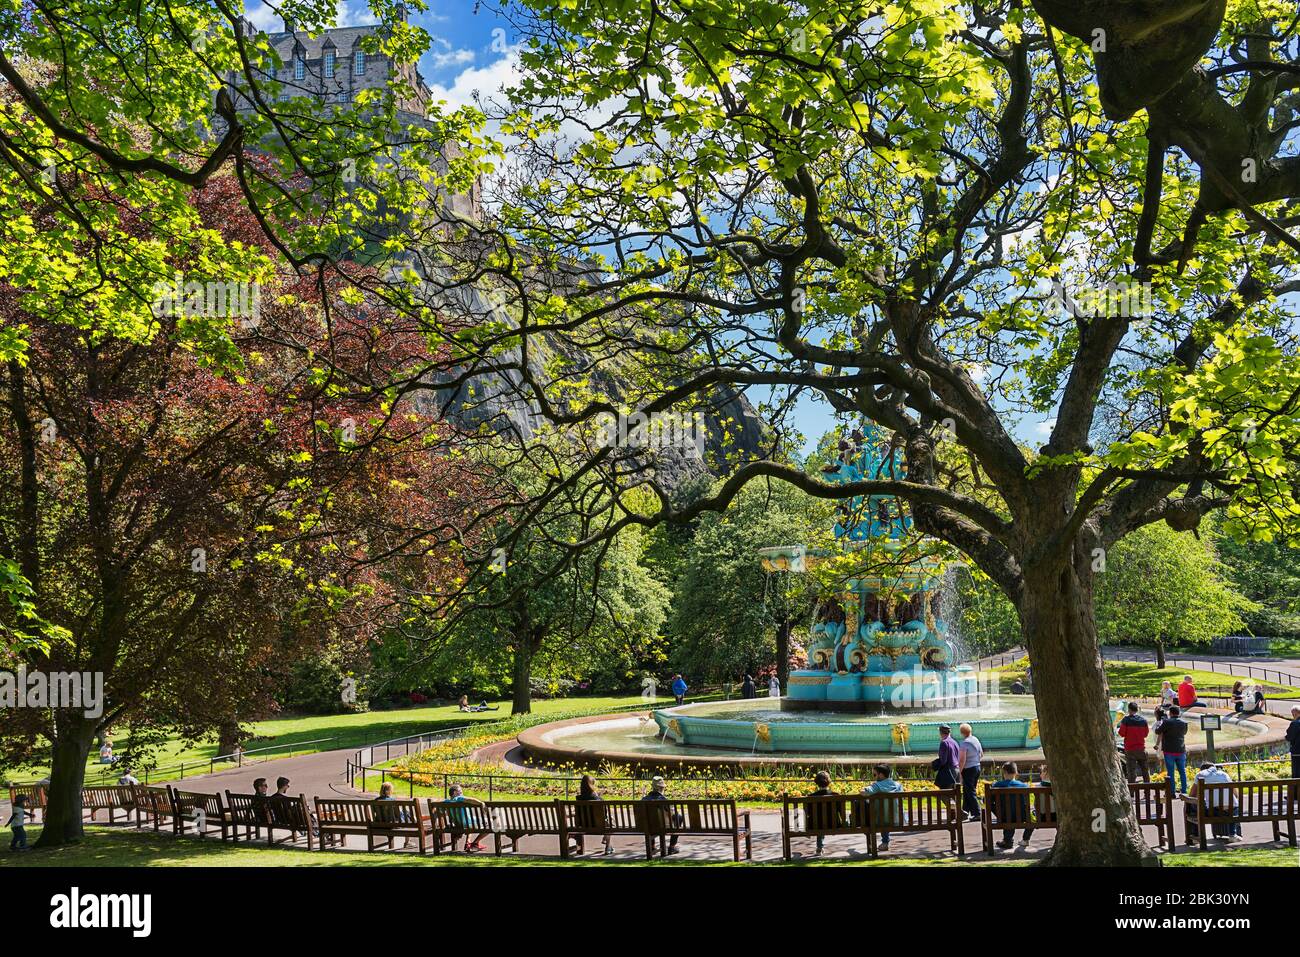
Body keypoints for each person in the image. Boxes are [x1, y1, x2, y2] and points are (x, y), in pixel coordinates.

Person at [1182, 762, 1241, 842]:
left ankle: (1196, 835)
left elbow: (1192, 796)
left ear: (1202, 769)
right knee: (1232, 806)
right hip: (1231, 811)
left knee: (1193, 806)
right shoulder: (1224, 774)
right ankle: (1232, 834)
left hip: (1212, 812)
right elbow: (1236, 794)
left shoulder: (1200, 775)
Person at [988, 761, 1033, 850]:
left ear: (1004, 772)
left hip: (1003, 817)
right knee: (1018, 810)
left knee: (1003, 809)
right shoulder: (1024, 786)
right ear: (1016, 773)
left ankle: (1007, 840)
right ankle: (1024, 838)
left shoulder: (997, 785)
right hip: (1021, 816)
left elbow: (988, 800)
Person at [862, 763, 904, 851]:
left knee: (880, 816)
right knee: (887, 813)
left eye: (874, 774)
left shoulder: (877, 785)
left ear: (880, 775)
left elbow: (864, 792)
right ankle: (885, 842)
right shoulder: (898, 785)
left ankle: (879, 843)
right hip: (897, 819)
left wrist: (865, 789)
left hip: (880, 820)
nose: (873, 777)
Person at [644, 776, 685, 855]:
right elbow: (672, 814)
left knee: (650, 821)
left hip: (648, 827)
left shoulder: (644, 799)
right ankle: (672, 847)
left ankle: (652, 846)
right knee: (679, 817)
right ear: (662, 788)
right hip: (663, 827)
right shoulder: (663, 800)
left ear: (653, 787)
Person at [444, 783, 491, 852]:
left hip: (458, 824)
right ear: (454, 793)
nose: (462, 793)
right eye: (460, 791)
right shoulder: (458, 798)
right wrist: (481, 803)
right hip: (468, 823)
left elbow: (445, 813)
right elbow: (470, 799)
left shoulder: (446, 802)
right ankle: (475, 843)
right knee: (491, 823)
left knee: (471, 822)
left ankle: (468, 842)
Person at [573, 774, 612, 856]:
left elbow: (577, 814)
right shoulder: (598, 799)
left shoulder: (578, 799)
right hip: (599, 826)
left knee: (609, 822)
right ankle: (608, 846)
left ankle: (580, 849)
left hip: (582, 826)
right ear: (592, 785)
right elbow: (604, 814)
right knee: (609, 823)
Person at [806, 770, 842, 856]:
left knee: (820, 821)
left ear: (816, 782)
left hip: (815, 825)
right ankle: (820, 847)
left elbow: (808, 813)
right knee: (823, 821)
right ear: (828, 782)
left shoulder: (810, 797)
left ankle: (819, 847)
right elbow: (841, 811)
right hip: (834, 824)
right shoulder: (836, 795)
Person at [1116, 702, 1151, 783]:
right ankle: (1147, 792)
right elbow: (1145, 734)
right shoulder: (1143, 721)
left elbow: (1121, 733)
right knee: (1145, 772)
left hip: (1130, 749)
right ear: (1137, 709)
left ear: (1129, 709)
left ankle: (1132, 793)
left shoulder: (1126, 720)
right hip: (1141, 749)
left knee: (1131, 772)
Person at [1160, 705, 1190, 794]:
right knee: (1182, 772)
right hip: (1181, 750)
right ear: (1178, 713)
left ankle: (1172, 792)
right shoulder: (1184, 723)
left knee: (1170, 773)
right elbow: (1184, 733)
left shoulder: (1166, 722)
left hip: (1169, 750)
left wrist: (1163, 722)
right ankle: (1184, 791)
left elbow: (1157, 731)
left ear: (1170, 713)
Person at [957, 723, 983, 822]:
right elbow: (981, 754)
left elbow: (962, 760)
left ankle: (977, 813)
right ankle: (965, 812)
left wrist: (959, 771)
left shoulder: (965, 743)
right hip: (977, 767)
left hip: (968, 769)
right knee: (968, 790)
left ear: (961, 733)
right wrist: (975, 761)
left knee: (970, 791)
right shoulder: (975, 739)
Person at [933, 724, 960, 789]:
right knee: (954, 793)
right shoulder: (955, 742)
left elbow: (943, 760)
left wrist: (935, 764)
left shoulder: (944, 743)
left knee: (944, 794)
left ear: (941, 732)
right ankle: (953, 800)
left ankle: (951, 800)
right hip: (957, 769)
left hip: (949, 771)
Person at [1287, 706, 1300, 780]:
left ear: (1295, 713)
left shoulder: (1294, 724)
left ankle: (1296, 791)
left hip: (1297, 753)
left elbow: (1289, 737)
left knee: (1296, 774)